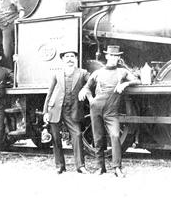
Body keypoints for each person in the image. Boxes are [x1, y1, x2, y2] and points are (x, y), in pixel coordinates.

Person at [79, 46, 138, 177]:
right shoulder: (97, 73)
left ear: (119, 58)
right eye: (111, 55)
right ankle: (100, 167)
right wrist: (90, 99)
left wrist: (125, 84)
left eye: (116, 56)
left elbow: (137, 80)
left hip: (111, 111)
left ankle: (117, 168)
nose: (113, 58)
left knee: (115, 136)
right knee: (98, 138)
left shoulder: (122, 72)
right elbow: (86, 87)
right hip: (96, 108)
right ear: (106, 56)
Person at [43, 50, 91, 174]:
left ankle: (80, 166)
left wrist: (85, 89)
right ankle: (60, 166)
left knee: (77, 135)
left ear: (76, 59)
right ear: (63, 59)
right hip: (55, 109)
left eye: (72, 56)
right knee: (55, 138)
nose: (70, 59)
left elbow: (92, 81)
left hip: (72, 110)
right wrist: (45, 112)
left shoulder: (82, 73)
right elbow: (50, 93)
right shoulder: (57, 74)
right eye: (67, 56)